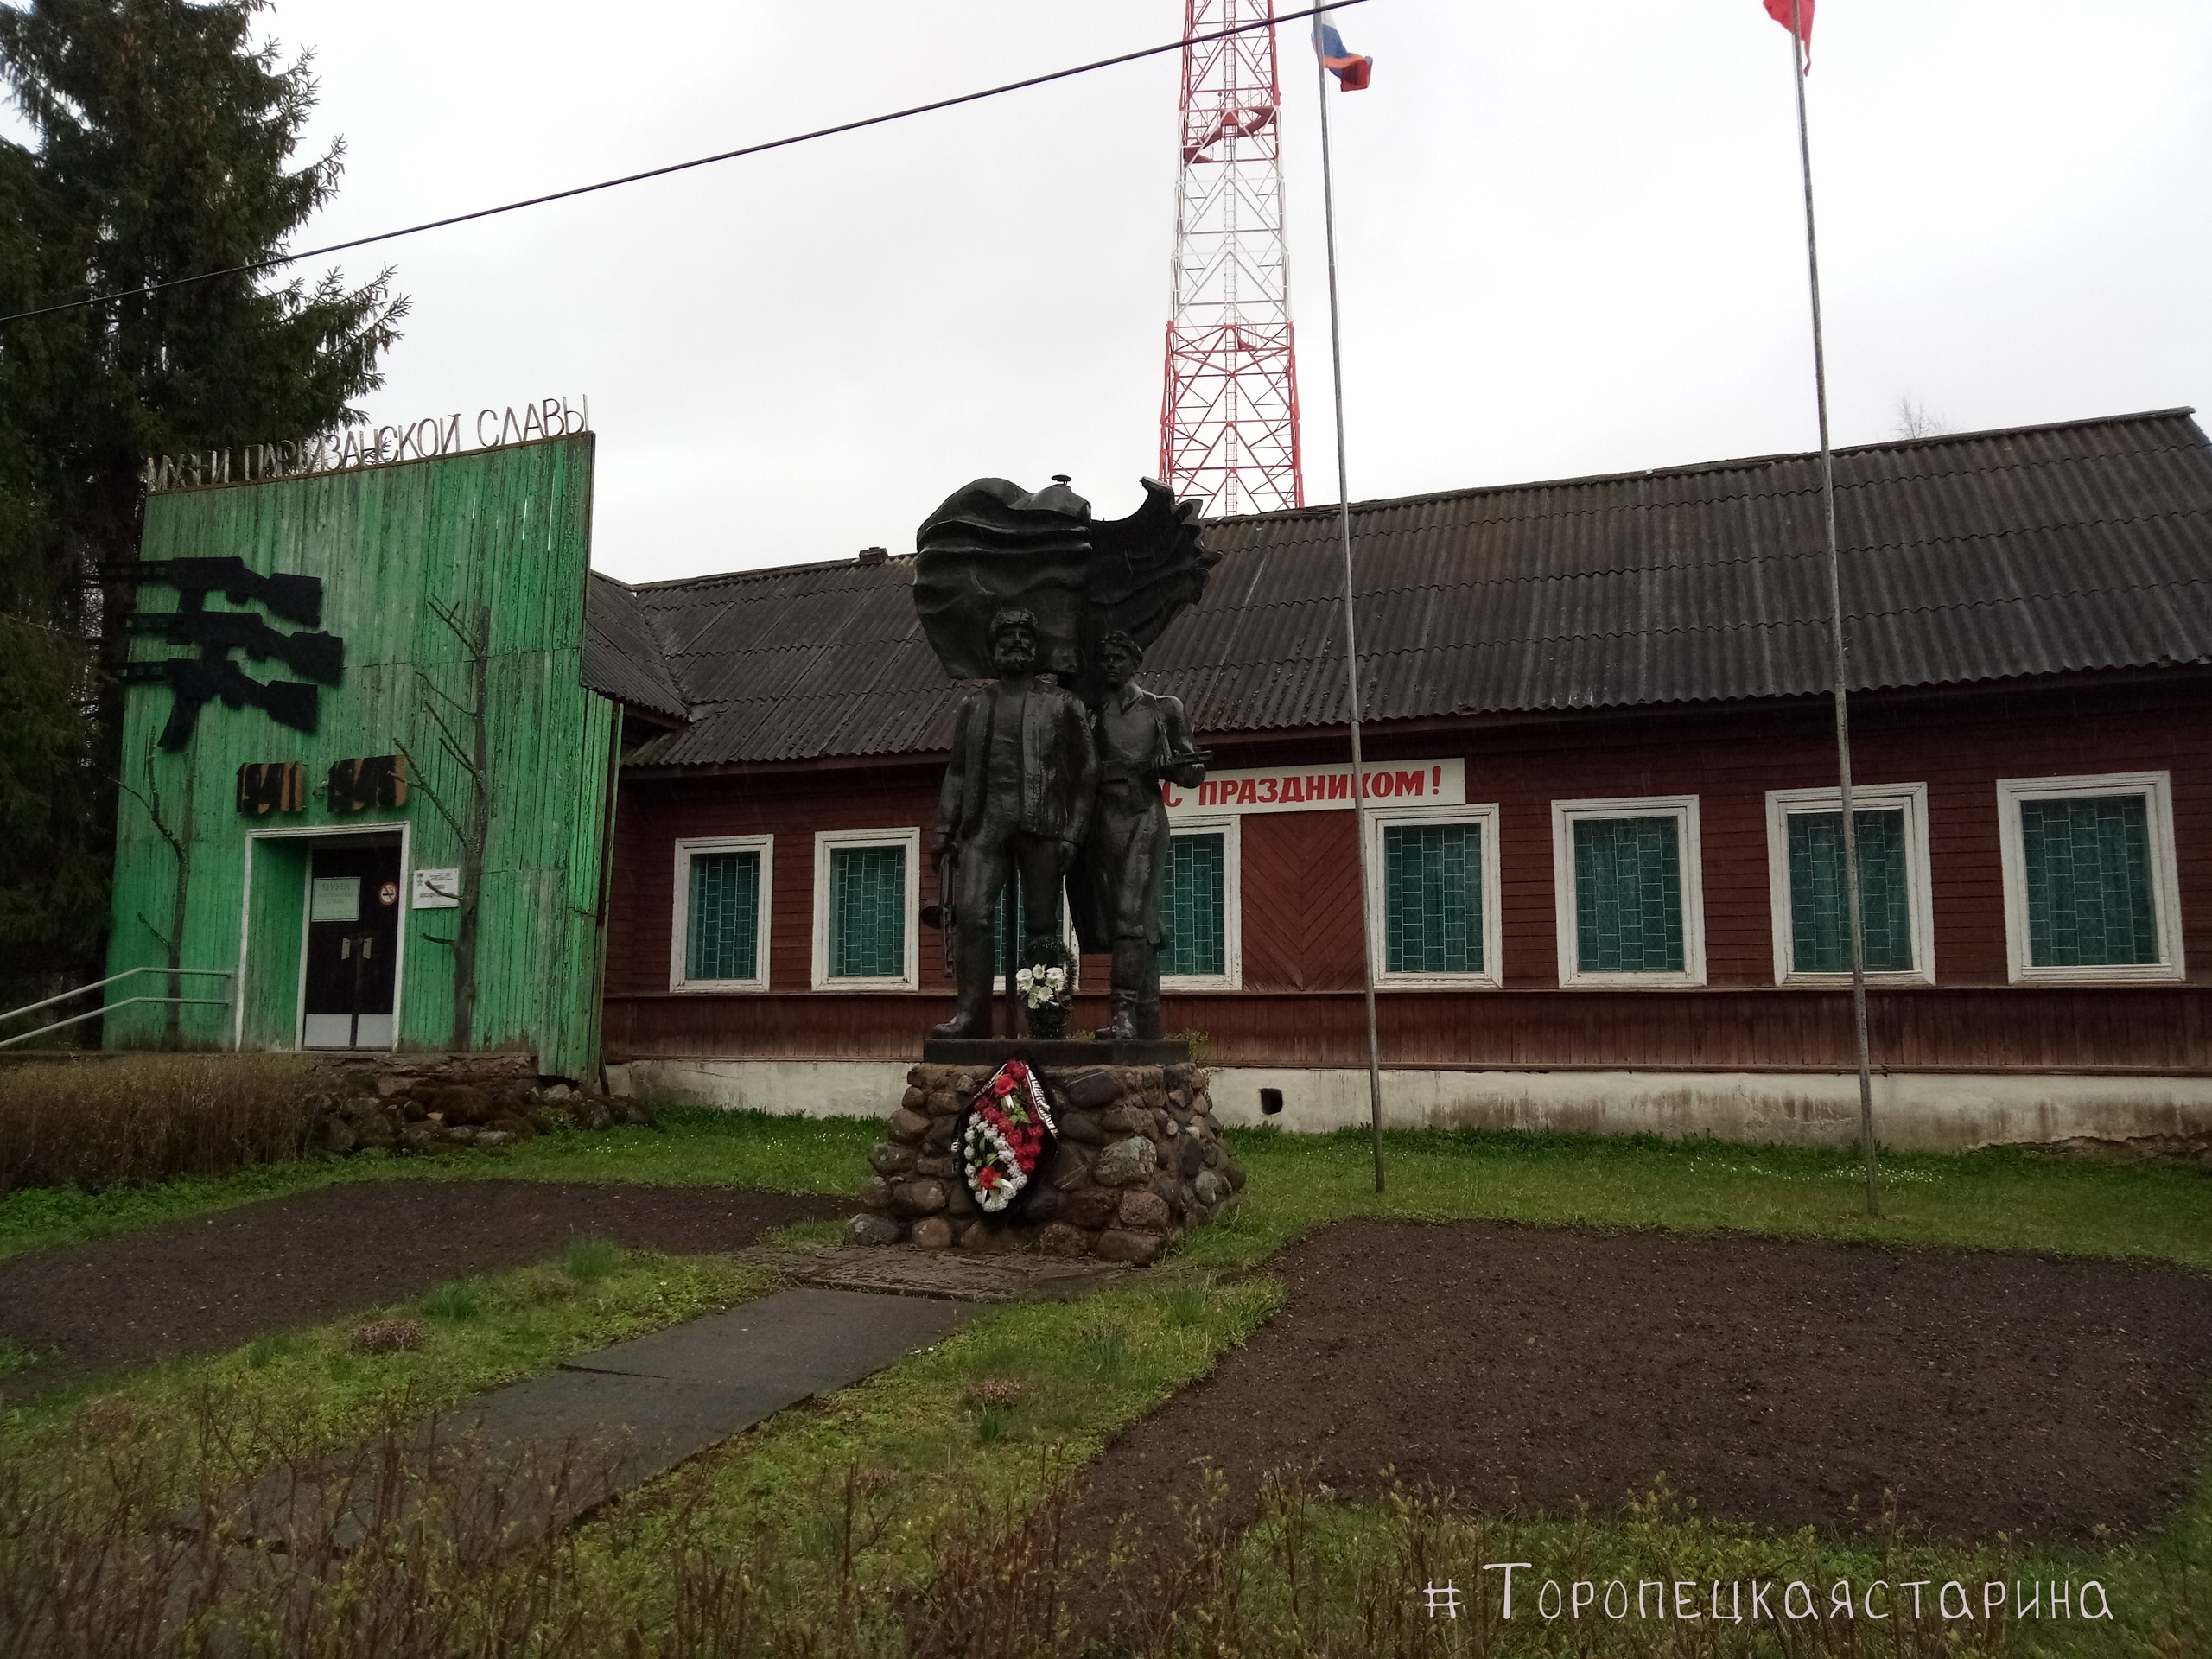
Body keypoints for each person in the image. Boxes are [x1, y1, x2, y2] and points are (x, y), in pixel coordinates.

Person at [930, 608, 1099, 1039]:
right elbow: (958, 770)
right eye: (1007, 637)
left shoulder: (1064, 705)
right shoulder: (975, 705)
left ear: (1038, 648)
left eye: (1025, 636)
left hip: (1043, 825)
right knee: (972, 915)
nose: (1017, 643)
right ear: (993, 650)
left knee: (1041, 924)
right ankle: (973, 1018)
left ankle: (1044, 1023)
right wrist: (944, 830)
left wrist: (1073, 833)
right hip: (984, 824)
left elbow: (1086, 773)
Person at [1084, 630, 1206, 1040]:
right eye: (1105, 659)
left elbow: (1193, 774)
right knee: (1139, 924)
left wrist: (1168, 766)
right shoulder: (1093, 714)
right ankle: (1149, 1022)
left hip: (1144, 816)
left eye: (1118, 657)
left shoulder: (1163, 709)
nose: (1111, 665)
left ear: (1134, 662)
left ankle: (1122, 1015)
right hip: (1104, 820)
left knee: (1130, 915)